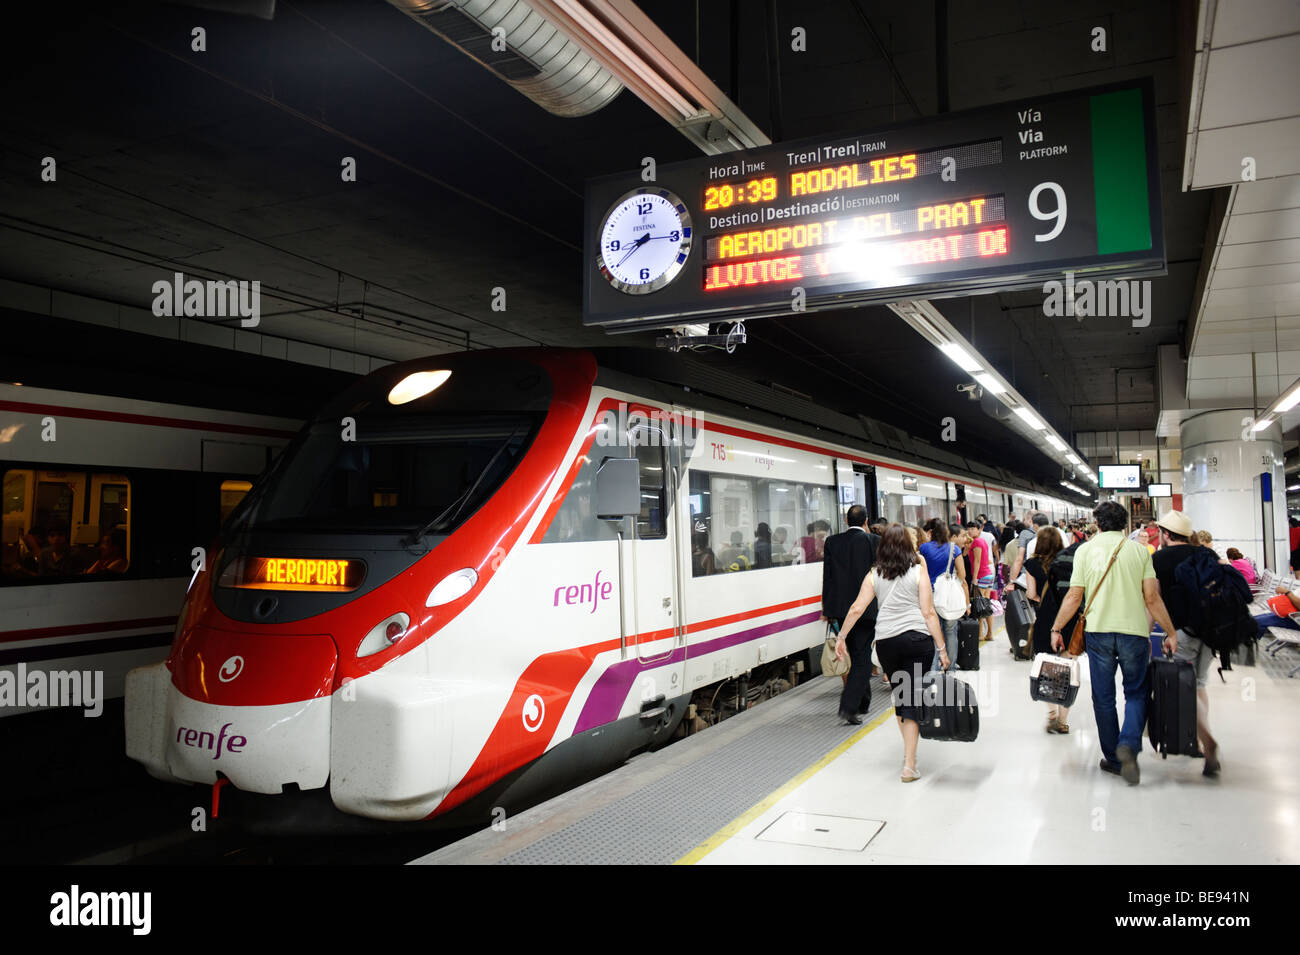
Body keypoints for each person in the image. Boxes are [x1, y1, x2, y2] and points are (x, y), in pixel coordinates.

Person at [1049, 501, 1179, 785]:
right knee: (1136, 692)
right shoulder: (1139, 551)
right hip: (1134, 633)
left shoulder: (1085, 551)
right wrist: (1170, 631)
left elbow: (1073, 596)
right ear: (1124, 524)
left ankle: (1113, 756)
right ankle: (1129, 745)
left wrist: (1057, 627)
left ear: (1098, 523)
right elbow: (1152, 597)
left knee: (1103, 696)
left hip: (1099, 634)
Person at [835, 524, 949, 782]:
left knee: (902, 697)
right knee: (913, 698)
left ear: (882, 546)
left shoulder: (874, 574)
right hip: (918, 641)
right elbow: (929, 613)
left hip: (887, 643)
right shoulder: (919, 572)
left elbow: (856, 608)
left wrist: (841, 637)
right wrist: (942, 649)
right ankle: (909, 763)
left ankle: (909, 758)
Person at [1151, 510, 1221, 775]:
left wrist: (1148, 635)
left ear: (1166, 534)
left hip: (1182, 633)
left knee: (1183, 688)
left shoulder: (1159, 558)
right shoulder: (1207, 554)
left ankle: (1206, 741)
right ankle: (1200, 741)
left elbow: (1153, 600)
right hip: (1211, 631)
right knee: (1199, 683)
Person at [822, 505, 880, 723]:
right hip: (866, 609)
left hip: (840, 610)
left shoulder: (832, 542)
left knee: (857, 655)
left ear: (846, 521)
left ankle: (863, 701)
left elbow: (827, 577)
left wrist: (827, 610)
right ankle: (849, 707)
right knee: (862, 658)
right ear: (866, 521)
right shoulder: (873, 541)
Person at [1023, 526, 1070, 732]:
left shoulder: (1032, 564)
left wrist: (1041, 598)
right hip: (1067, 619)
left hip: (1045, 620)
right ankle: (1063, 720)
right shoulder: (1068, 562)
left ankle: (1051, 712)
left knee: (1048, 669)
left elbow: (1031, 593)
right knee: (1067, 670)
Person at [919, 517, 970, 670]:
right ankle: (951, 668)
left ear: (930, 532)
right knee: (950, 631)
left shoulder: (924, 548)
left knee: (934, 632)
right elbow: (962, 574)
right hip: (949, 596)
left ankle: (934, 668)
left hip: (930, 595)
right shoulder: (954, 549)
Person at [965, 520, 994, 643]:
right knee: (986, 604)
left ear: (979, 530)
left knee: (979, 605)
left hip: (981, 575)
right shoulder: (982, 541)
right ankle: (990, 633)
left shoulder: (976, 542)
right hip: (988, 575)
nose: (970, 531)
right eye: (969, 528)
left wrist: (974, 579)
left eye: (973, 528)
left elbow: (977, 561)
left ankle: (981, 634)